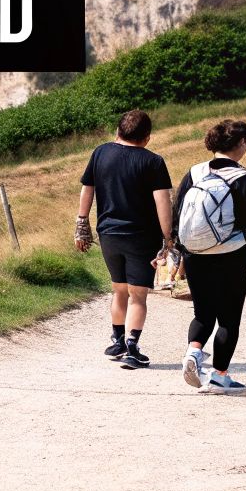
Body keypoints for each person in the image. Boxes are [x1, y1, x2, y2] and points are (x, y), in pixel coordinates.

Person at [176, 119, 246, 391]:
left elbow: (179, 216)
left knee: (202, 313)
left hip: (195, 255)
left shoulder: (194, 173)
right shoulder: (240, 178)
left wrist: (180, 254)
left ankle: (193, 353)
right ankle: (220, 376)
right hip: (231, 255)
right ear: (242, 143)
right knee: (229, 319)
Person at [75, 109, 175, 369]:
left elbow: (88, 189)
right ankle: (132, 347)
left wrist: (81, 224)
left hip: (108, 233)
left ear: (118, 132)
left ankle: (117, 340)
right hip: (141, 237)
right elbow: (162, 201)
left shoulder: (101, 153)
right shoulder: (153, 161)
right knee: (138, 295)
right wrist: (169, 238)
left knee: (119, 289)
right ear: (147, 138)